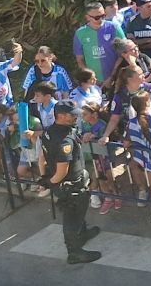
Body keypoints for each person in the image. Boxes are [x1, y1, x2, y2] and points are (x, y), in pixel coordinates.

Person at [40, 100, 103, 264]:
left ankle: (82, 233)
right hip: (70, 185)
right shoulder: (64, 140)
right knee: (72, 217)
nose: (76, 116)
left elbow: (42, 155)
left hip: (67, 183)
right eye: (72, 114)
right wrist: (50, 182)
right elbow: (62, 170)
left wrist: (44, 176)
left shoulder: (50, 132)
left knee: (78, 212)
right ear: (61, 116)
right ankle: (74, 252)